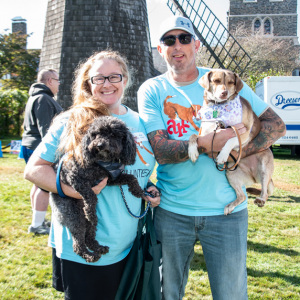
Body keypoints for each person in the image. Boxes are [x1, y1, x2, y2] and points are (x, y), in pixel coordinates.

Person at [138, 15, 286, 300]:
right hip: (172, 212)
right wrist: (211, 143)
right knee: (166, 293)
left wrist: (237, 149)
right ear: (160, 49)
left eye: (184, 38)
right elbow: (161, 151)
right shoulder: (153, 89)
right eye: (169, 40)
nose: (177, 45)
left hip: (225, 216)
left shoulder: (223, 80)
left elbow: (276, 126)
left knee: (231, 294)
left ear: (197, 44)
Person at [24, 50, 160, 300]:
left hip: (129, 245)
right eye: (99, 78)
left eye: (114, 77)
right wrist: (75, 191)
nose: (107, 84)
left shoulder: (141, 122)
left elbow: (134, 170)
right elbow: (33, 170)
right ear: (88, 83)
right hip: (85, 247)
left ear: (125, 79)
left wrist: (148, 187)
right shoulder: (71, 121)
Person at [22, 68, 63, 235]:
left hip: (31, 145)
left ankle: (37, 220)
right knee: (45, 187)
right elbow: (46, 130)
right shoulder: (44, 99)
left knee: (38, 185)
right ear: (49, 81)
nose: (59, 84)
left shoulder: (36, 97)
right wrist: (55, 151)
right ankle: (37, 225)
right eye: (57, 80)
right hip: (40, 149)